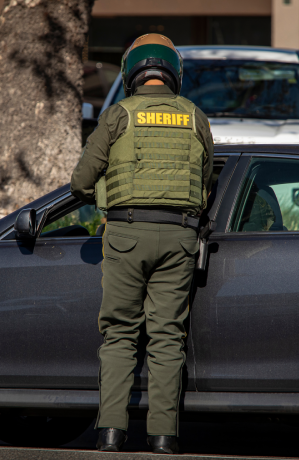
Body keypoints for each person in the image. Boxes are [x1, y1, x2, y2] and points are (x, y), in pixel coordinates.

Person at [70, 33, 214, 454]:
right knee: (168, 337)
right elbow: (206, 183)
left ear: (132, 71)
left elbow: (80, 181)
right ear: (175, 73)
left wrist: (103, 192)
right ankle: (164, 438)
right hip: (180, 236)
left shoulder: (118, 115)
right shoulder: (194, 116)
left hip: (126, 235)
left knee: (119, 335)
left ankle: (111, 433)